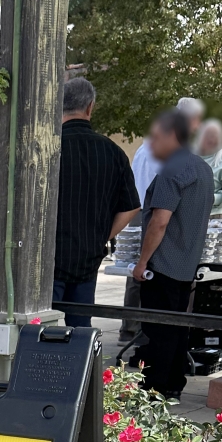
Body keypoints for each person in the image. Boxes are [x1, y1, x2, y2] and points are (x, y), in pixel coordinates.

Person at [132, 108, 214, 399]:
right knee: (178, 327)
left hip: (164, 262)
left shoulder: (172, 169)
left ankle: (156, 387)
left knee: (159, 329)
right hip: (187, 261)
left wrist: (142, 261)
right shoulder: (203, 169)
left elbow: (160, 220)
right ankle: (174, 383)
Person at [53, 78, 140, 326]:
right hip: (88, 257)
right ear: (90, 107)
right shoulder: (112, 152)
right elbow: (132, 206)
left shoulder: (48, 149)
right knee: (80, 331)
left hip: (49, 258)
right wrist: (102, 235)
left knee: (41, 332)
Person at [121, 97, 206, 341]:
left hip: (152, 214)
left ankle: (135, 332)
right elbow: (160, 217)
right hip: (155, 215)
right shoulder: (179, 158)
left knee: (144, 283)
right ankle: (139, 334)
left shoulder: (165, 154)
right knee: (149, 282)